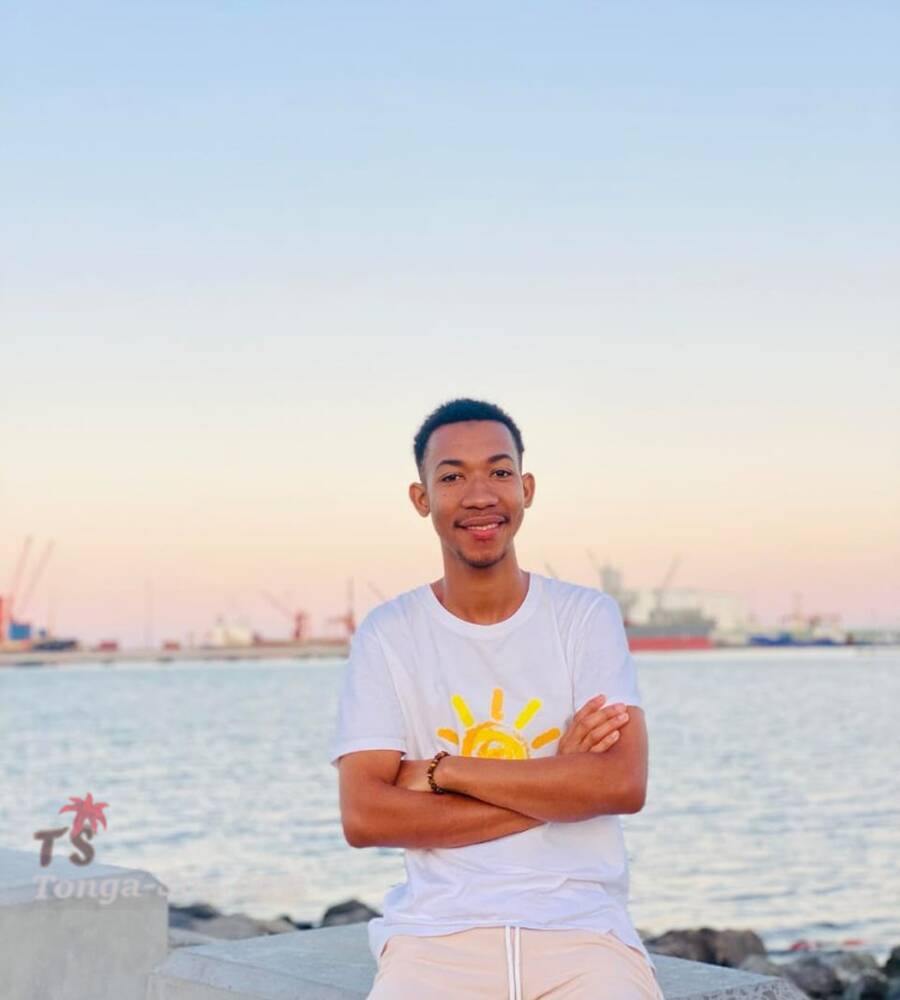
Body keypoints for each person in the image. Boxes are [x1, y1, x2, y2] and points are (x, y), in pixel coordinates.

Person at [330, 397, 663, 1000]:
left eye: (500, 471)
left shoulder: (583, 617)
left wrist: (443, 772)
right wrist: (560, 782)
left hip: (583, 934)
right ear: (421, 498)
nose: (480, 495)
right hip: (435, 939)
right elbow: (365, 816)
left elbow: (620, 784)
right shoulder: (389, 634)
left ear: (526, 489)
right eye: (452, 477)